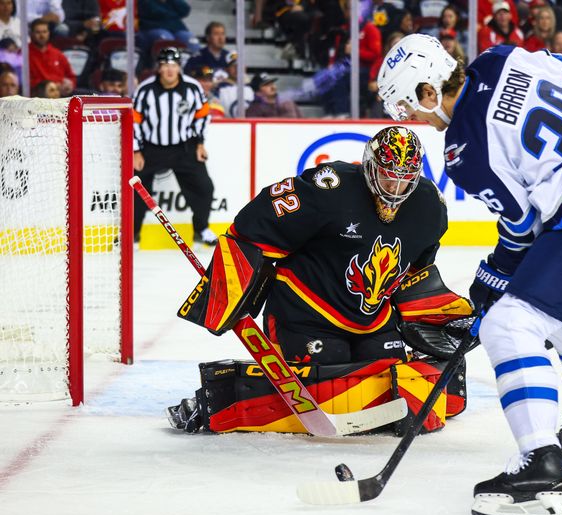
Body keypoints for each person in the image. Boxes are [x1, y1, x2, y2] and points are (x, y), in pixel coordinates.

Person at [377, 33, 562, 515]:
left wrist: (492, 278)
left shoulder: (465, 150)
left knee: (508, 326)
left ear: (429, 91)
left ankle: (540, 470)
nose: (417, 122)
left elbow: (520, 227)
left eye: (412, 109)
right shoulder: (501, 58)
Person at [166, 126, 474, 434]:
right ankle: (217, 402)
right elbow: (251, 225)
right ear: (369, 167)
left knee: (387, 372)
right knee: (329, 367)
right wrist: (233, 282)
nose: (394, 187)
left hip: (373, 320)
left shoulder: (430, 206)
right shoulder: (329, 187)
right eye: (387, 175)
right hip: (305, 314)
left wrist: (433, 317)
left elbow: (415, 273)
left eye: (404, 178)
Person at [131, 47, 217, 247]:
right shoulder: (145, 90)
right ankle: (132, 235)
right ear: (159, 69)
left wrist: (200, 143)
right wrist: (136, 151)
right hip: (151, 149)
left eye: (174, 65)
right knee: (137, 190)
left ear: (179, 68)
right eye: (165, 65)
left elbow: (203, 115)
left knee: (205, 187)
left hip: (184, 148)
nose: (170, 70)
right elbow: (134, 121)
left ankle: (201, 229)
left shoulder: (192, 88)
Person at [28, 18, 76, 96]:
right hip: (36, 97)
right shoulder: (24, 54)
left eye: (44, 32)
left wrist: (69, 85)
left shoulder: (58, 54)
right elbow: (24, 81)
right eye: (38, 32)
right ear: (31, 34)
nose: (42, 35)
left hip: (60, 96)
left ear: (49, 33)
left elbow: (71, 77)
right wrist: (50, 85)